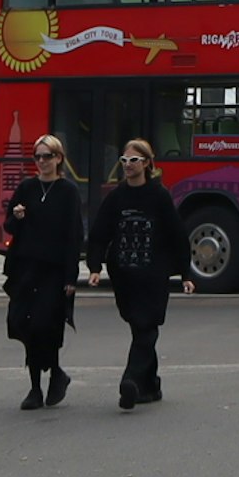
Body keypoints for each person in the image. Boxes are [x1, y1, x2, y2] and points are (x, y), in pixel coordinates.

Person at [85, 139, 188, 408]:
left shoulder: (159, 196)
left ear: (147, 164)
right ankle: (150, 386)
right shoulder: (116, 197)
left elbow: (177, 235)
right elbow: (98, 235)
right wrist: (95, 268)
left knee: (147, 327)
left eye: (134, 160)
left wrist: (186, 272)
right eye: (124, 161)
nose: (128, 166)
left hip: (153, 275)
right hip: (124, 276)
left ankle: (130, 380)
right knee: (139, 326)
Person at [0, 133, 85, 409]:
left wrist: (71, 276)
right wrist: (18, 217)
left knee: (45, 325)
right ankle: (38, 385)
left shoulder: (68, 191)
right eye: (37, 157)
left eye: (47, 156)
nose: (41, 162)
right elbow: (9, 225)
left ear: (58, 158)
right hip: (26, 267)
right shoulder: (26, 188)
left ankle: (52, 377)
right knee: (23, 324)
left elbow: (74, 235)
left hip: (53, 270)